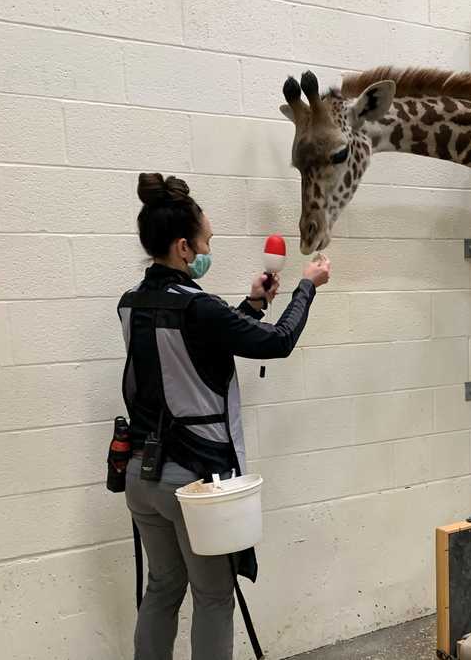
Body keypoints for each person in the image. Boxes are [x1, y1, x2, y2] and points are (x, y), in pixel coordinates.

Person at [117, 173, 331, 660]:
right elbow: (277, 343)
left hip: (140, 475)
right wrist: (306, 287)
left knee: (163, 589)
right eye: (206, 241)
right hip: (192, 486)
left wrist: (253, 304)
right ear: (184, 249)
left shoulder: (130, 303)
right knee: (213, 597)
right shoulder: (198, 306)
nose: (209, 248)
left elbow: (195, 353)